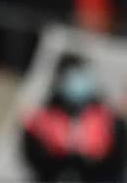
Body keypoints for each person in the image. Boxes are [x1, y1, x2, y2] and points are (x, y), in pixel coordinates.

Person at [22, 53, 126, 182]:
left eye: (83, 74)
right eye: (74, 75)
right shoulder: (42, 118)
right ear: (60, 79)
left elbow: (118, 158)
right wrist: (64, 165)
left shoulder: (108, 117)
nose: (80, 81)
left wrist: (90, 167)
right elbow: (33, 156)